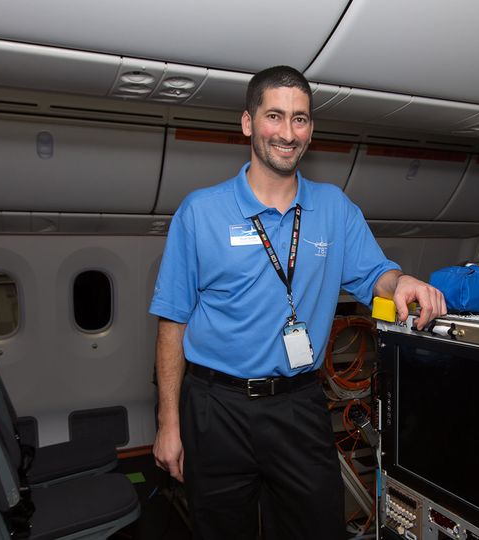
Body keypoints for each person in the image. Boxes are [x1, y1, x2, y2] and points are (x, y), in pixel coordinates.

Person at [149, 65, 446, 540]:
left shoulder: (333, 208)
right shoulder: (200, 212)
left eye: (300, 119)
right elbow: (172, 322)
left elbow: (376, 275)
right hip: (215, 406)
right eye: (275, 116)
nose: (288, 133)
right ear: (248, 123)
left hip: (297, 403)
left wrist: (403, 281)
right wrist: (169, 422)